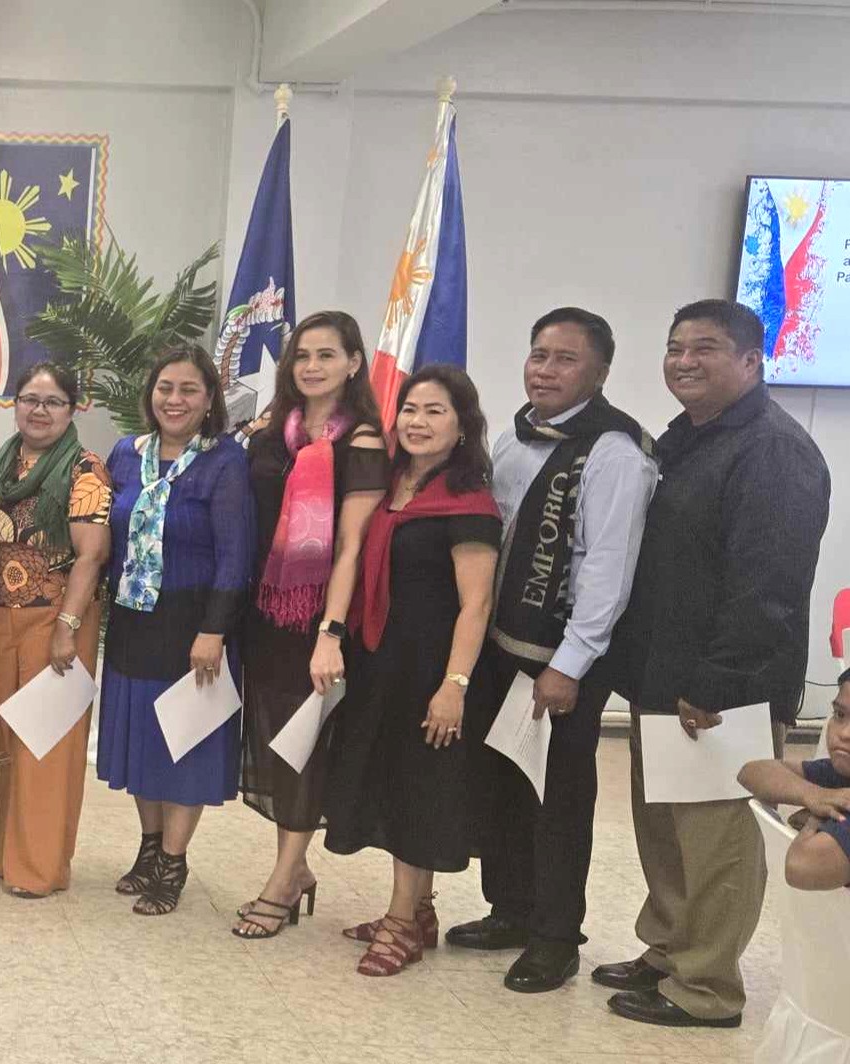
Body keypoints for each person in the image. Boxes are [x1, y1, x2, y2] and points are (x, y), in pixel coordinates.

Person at [597, 299, 831, 1029]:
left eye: (705, 347)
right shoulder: (686, 439)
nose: (684, 360)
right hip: (664, 675)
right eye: (674, 347)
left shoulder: (773, 450)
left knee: (716, 840)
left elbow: (769, 584)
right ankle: (670, 950)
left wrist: (717, 682)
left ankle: (708, 989)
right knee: (666, 829)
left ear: (752, 362)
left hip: (721, 691)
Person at [444, 308, 658, 992]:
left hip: (564, 658)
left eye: (566, 359)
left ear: (599, 372)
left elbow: (607, 567)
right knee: (500, 785)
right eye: (539, 354)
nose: (546, 369)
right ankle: (509, 908)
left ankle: (555, 937)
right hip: (503, 646)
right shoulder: (514, 438)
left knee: (556, 801)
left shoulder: (615, 452)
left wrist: (569, 664)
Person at [323, 365, 501, 976]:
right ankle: (416, 910)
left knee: (418, 791)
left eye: (436, 411)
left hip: (432, 670)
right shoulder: (394, 484)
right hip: (381, 663)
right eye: (411, 410)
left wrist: (454, 686)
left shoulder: (468, 500)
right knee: (393, 780)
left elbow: (476, 604)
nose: (418, 422)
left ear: (462, 425)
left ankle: (401, 923)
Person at [233, 311, 388, 938]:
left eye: (327, 355)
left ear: (354, 363)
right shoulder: (273, 434)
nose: (312, 367)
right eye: (302, 356)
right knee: (275, 739)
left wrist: (330, 632)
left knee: (305, 745)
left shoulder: (365, 442)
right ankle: (292, 870)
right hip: (265, 611)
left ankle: (285, 876)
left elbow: (352, 546)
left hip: (318, 619)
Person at [98, 343, 254, 917]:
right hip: (135, 622)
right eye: (166, 387)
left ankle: (174, 860)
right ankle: (147, 849)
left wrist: (213, 631)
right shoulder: (124, 453)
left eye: (189, 389)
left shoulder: (224, 461)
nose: (175, 399)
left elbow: (235, 555)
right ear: (150, 394)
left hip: (195, 626)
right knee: (143, 741)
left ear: (209, 398)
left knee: (185, 744)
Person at [0, 361, 112, 899]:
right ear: (15, 404)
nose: (39, 410)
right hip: (1, 616)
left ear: (72, 409)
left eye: (52, 401)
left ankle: (41, 868)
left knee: (48, 744)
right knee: (10, 741)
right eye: (30, 398)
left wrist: (68, 626)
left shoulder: (84, 468)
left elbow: (91, 556)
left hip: (57, 619)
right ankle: (9, 852)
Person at [738, 669, 850, 892]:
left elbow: (800, 866)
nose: (845, 733)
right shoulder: (839, 775)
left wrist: (814, 817)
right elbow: (751, 771)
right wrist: (814, 794)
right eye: (839, 715)